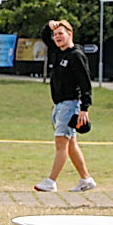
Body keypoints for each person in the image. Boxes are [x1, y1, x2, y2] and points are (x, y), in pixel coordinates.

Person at [35, 19, 97, 192]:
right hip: (59, 105)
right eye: (55, 35)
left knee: (61, 142)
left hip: (71, 104)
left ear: (70, 34)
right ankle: (86, 179)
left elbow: (85, 83)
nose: (57, 37)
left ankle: (51, 181)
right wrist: (49, 26)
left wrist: (85, 108)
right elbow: (45, 37)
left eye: (61, 33)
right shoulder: (58, 51)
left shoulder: (76, 55)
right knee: (70, 144)